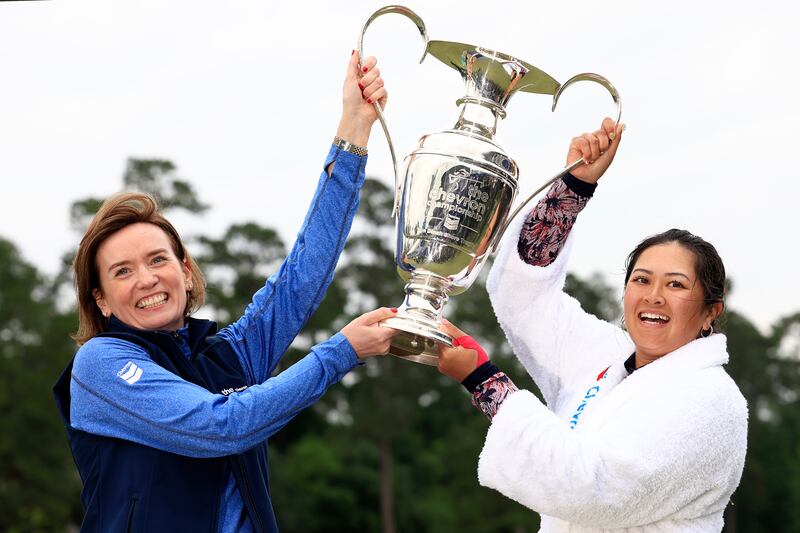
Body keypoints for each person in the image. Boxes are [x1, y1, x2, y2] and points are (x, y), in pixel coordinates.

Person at [53, 51, 399, 533]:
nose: (147, 279)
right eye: (122, 272)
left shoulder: (231, 354)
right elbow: (220, 426)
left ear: (186, 272)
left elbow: (301, 278)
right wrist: (339, 353)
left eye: (158, 260)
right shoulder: (100, 366)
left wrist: (354, 130)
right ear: (102, 300)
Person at [437, 118, 748, 532]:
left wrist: (484, 381)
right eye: (641, 280)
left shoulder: (711, 401)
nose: (653, 295)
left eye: (676, 284)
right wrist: (572, 191)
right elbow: (522, 296)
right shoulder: (606, 359)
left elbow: (595, 490)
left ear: (711, 311)